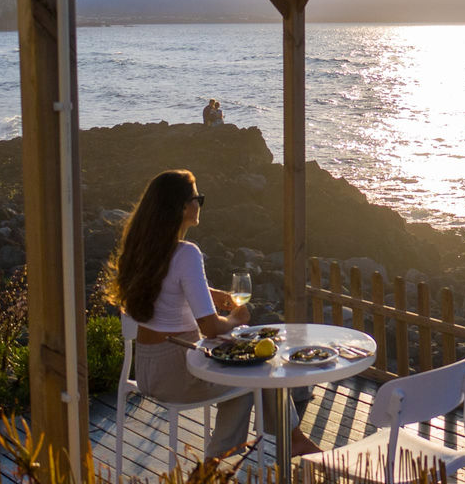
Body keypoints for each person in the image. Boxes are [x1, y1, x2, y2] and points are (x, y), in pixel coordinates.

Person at [107, 170, 319, 458]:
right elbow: (209, 328)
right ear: (182, 207)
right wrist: (236, 319)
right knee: (255, 373)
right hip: (180, 370)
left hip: (147, 369)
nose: (200, 204)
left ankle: (291, 439)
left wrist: (214, 295)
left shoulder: (144, 249)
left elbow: (171, 289)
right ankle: (213, 466)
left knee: (252, 366)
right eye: (198, 198)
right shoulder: (186, 253)